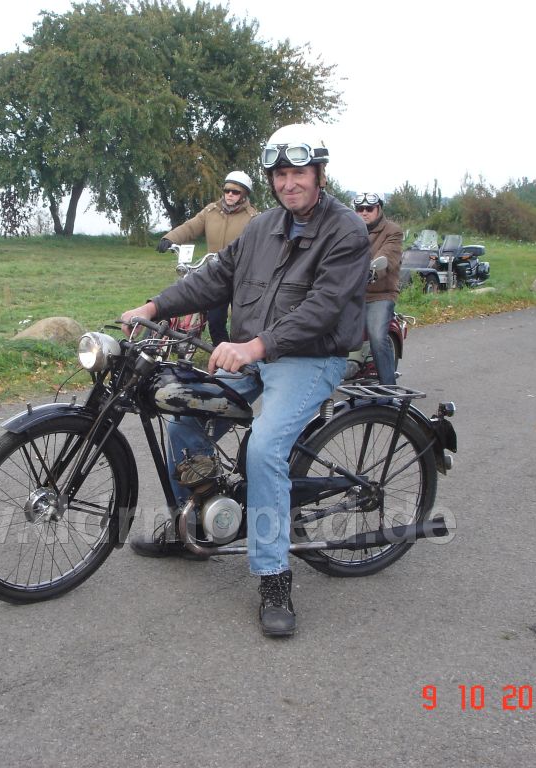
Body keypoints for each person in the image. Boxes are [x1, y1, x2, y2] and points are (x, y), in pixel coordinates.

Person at [122, 124, 371, 637]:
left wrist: (254, 346)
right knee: (184, 414)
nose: (289, 183)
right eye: (280, 175)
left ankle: (274, 576)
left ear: (319, 174)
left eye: (298, 173)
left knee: (264, 449)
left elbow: (323, 308)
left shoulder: (346, 230)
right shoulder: (262, 227)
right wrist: (154, 307)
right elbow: (215, 276)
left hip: (310, 359)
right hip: (254, 356)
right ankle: (195, 522)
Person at [155, 171, 258, 346]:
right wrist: (170, 238)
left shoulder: (252, 218)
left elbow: (258, 244)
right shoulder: (211, 211)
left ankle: (241, 354)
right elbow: (191, 227)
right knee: (215, 319)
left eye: (235, 192)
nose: (230, 195)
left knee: (241, 322)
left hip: (241, 275)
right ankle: (219, 351)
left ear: (244, 194)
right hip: (217, 274)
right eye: (227, 190)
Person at [353, 193, 402, 384]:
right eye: (360, 209)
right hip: (352, 292)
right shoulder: (349, 230)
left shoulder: (392, 231)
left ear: (379, 209)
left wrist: (370, 272)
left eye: (369, 209)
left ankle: (389, 389)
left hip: (380, 293)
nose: (364, 213)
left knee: (377, 336)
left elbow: (387, 256)